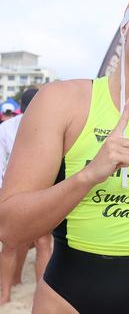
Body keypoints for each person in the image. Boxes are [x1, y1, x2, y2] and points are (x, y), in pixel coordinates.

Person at [0, 0, 129, 313]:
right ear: (124, 26)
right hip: (67, 295)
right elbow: (10, 229)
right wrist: (88, 176)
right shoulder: (63, 101)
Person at [0, 88, 53, 306]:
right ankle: (11, 287)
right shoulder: (8, 128)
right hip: (18, 192)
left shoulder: (51, 127)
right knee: (20, 242)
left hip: (39, 191)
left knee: (34, 242)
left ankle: (14, 291)